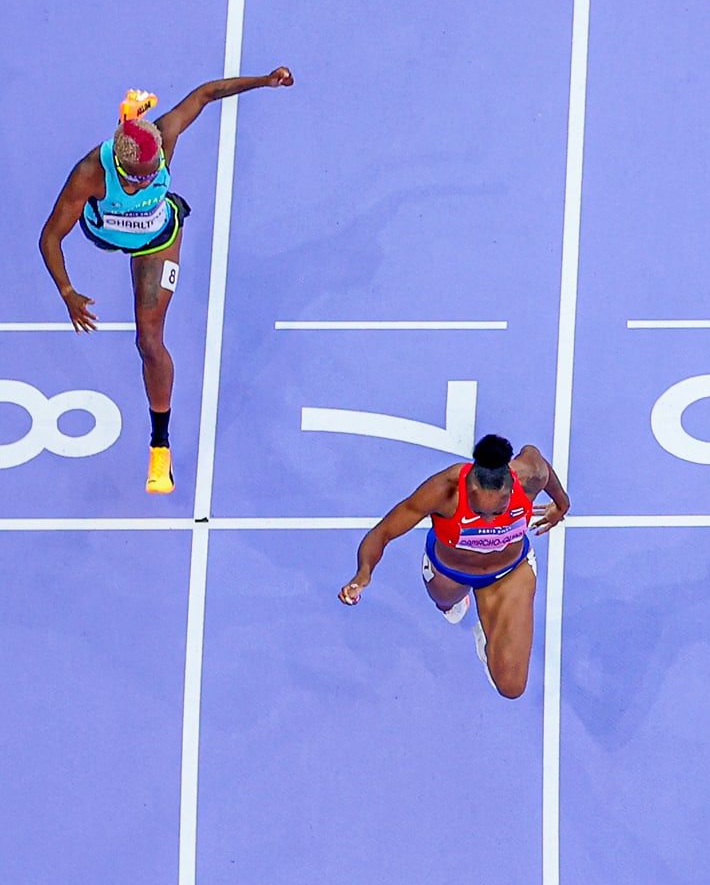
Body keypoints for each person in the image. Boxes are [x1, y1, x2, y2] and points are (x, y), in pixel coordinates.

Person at [36, 72, 295, 494]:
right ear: (118, 165)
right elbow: (50, 237)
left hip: (157, 239)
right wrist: (67, 292)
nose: (144, 181)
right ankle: (129, 114)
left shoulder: (163, 139)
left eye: (150, 173)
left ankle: (160, 446)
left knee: (149, 341)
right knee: (145, 333)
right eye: (135, 177)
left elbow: (207, 93)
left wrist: (265, 81)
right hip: (103, 232)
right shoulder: (90, 173)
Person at [337, 435, 570, 699]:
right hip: (450, 571)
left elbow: (545, 471)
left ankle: (487, 633)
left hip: (508, 573)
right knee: (447, 605)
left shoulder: (529, 476)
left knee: (511, 688)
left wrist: (561, 505)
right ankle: (454, 602)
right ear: (469, 488)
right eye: (480, 511)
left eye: (497, 511)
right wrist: (363, 572)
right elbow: (383, 533)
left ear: (510, 490)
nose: (489, 519)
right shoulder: (443, 490)